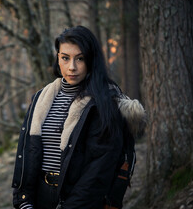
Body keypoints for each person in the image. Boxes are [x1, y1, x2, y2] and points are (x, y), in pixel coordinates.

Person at [12, 26, 146, 209]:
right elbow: (27, 151)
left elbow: (99, 169)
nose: (72, 67)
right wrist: (23, 199)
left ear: (91, 60)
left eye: (80, 59)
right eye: (65, 58)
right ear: (57, 58)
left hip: (80, 200)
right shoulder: (41, 98)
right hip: (40, 197)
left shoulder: (104, 101)